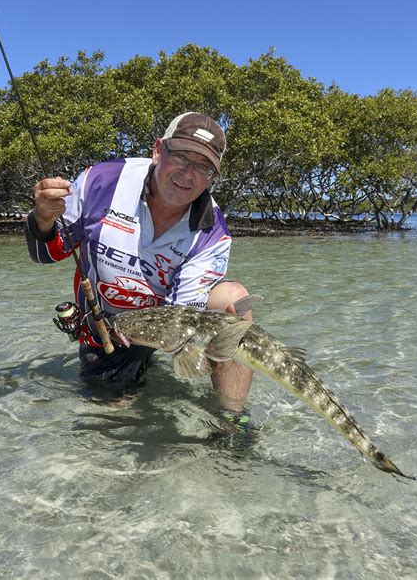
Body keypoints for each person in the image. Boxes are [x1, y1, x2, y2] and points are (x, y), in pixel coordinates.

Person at [25, 112, 252, 424]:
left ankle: (233, 420)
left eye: (203, 166)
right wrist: (43, 218)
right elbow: (47, 254)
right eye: (181, 156)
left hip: (162, 322)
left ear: (212, 176)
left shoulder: (212, 231)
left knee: (234, 300)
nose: (188, 173)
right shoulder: (102, 181)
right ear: (158, 150)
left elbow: (180, 315)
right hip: (106, 330)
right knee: (110, 419)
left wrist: (188, 350)